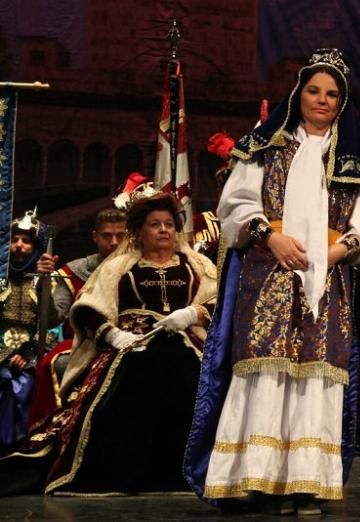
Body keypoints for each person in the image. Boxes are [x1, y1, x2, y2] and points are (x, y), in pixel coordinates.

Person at [185, 48, 360, 514]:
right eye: (314, 90)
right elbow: (236, 205)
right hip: (268, 270)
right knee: (265, 367)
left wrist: (333, 253)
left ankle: (306, 482)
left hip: (325, 279)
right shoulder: (266, 145)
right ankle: (254, 478)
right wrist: (270, 239)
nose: (322, 100)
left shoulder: (352, 158)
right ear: (298, 94)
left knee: (316, 373)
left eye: (332, 94)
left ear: (342, 102)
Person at [1, 187, 216, 494]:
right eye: (156, 224)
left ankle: (187, 471)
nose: (164, 230)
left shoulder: (198, 266)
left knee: (191, 375)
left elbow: (218, 301)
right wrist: (113, 334)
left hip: (186, 343)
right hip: (130, 347)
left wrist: (193, 313)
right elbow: (88, 308)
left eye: (169, 224)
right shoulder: (117, 266)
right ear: (140, 231)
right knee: (127, 381)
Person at [27, 207, 127, 427]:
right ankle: (51, 431)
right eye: (106, 235)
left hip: (128, 342)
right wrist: (44, 284)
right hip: (82, 345)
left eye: (120, 235)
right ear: (94, 237)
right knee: (50, 365)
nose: (113, 242)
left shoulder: (137, 268)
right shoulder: (74, 272)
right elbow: (53, 319)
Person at [0, 209, 56, 451]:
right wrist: (5, 355)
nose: (19, 245)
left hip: (32, 358)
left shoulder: (49, 280)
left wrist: (30, 355)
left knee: (27, 386)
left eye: (26, 241)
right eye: (14, 240)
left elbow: (55, 326)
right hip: (1, 356)